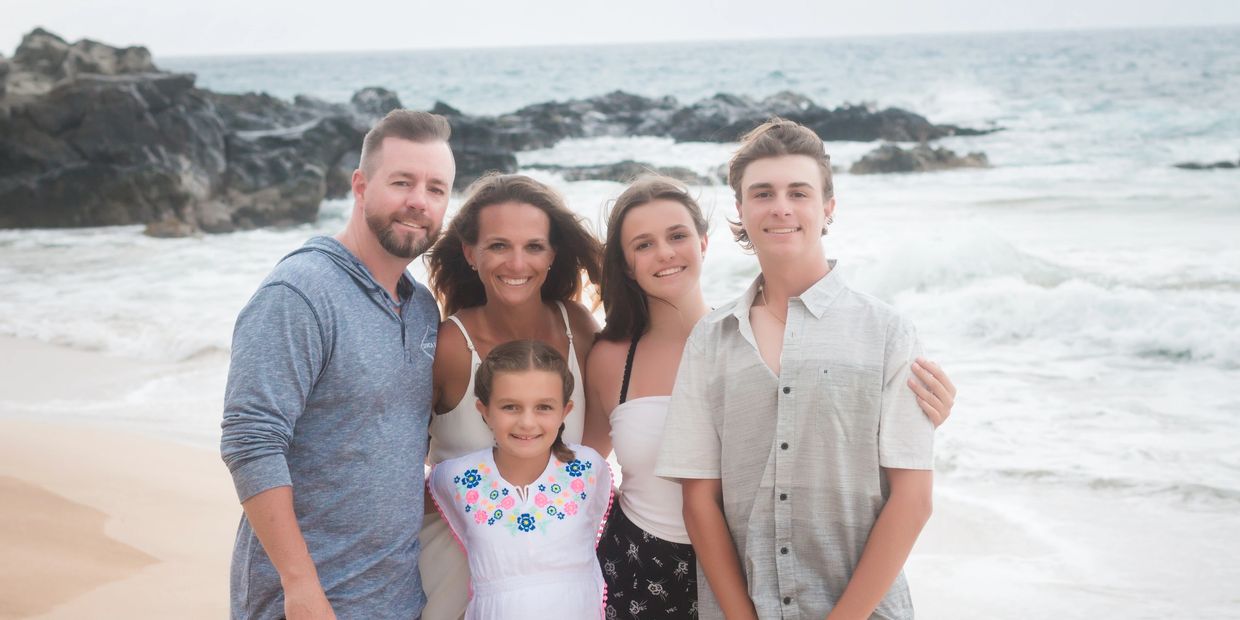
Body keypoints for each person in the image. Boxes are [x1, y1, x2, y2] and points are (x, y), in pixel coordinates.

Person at [587, 175, 956, 619]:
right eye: (643, 244)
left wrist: (914, 413)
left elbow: (821, 424)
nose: (665, 252)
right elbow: (576, 462)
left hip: (751, 566)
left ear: (704, 243)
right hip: (641, 562)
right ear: (626, 264)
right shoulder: (609, 358)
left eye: (677, 236)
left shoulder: (746, 334)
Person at [220, 109, 453, 620]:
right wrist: (300, 587)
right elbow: (250, 438)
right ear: (361, 186)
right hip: (306, 605)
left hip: (398, 600)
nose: (419, 200)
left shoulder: (420, 308)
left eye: (436, 189)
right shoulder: (300, 292)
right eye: (402, 182)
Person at [420, 173, 603, 618]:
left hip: (556, 568)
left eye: (534, 246)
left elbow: (593, 449)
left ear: (552, 253)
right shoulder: (449, 346)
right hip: (458, 563)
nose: (517, 263)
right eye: (499, 245)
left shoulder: (575, 326)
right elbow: (399, 460)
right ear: (470, 253)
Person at [427, 340, 613, 620]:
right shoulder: (455, 478)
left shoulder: (588, 468)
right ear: (484, 411)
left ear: (565, 411)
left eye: (544, 407)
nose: (527, 422)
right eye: (511, 407)